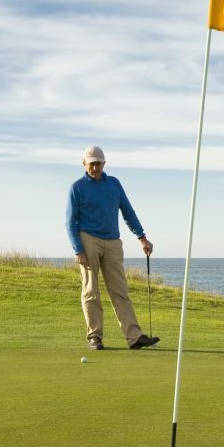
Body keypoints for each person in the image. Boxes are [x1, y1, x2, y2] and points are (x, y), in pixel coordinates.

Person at [66, 145, 159, 350]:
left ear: (104, 164)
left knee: (120, 290)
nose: (95, 167)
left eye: (98, 163)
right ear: (84, 164)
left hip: (113, 241)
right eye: (91, 164)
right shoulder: (77, 187)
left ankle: (134, 336)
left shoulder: (114, 184)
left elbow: (127, 211)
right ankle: (95, 336)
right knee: (91, 289)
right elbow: (70, 222)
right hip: (88, 238)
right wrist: (78, 250)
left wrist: (142, 237)